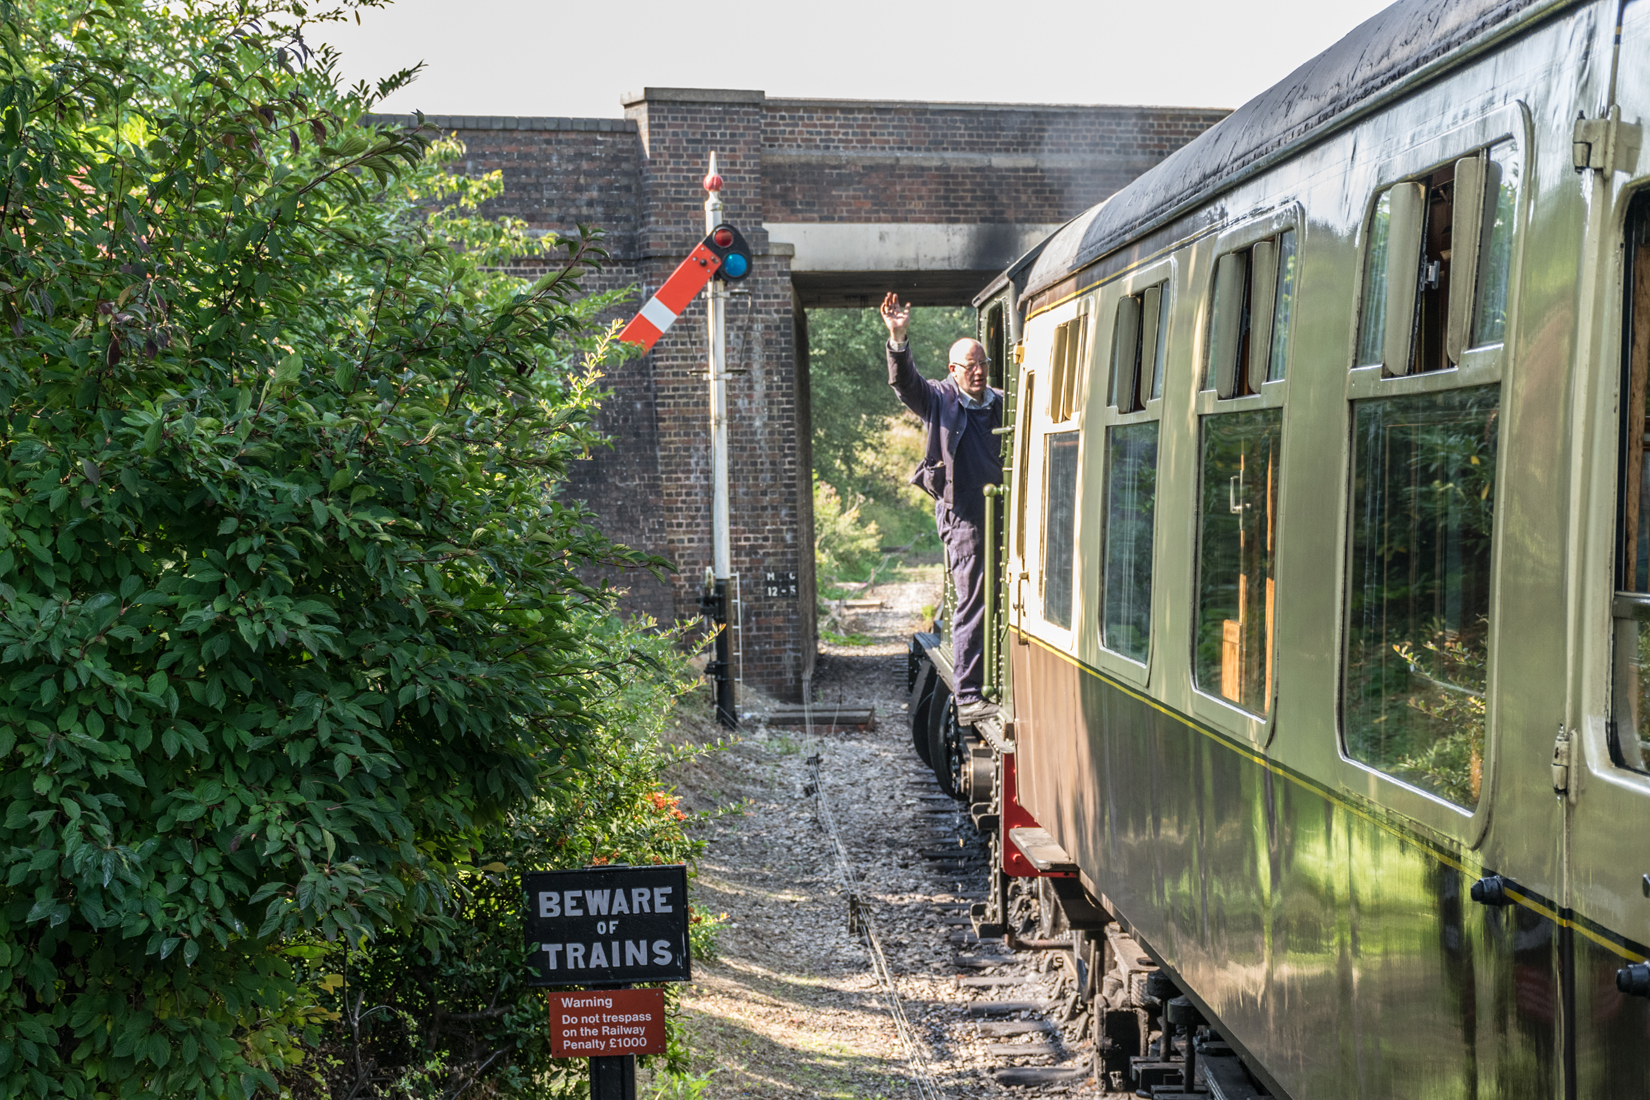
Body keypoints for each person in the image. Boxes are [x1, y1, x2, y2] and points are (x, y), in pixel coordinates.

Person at [881, 292, 1003, 727]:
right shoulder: (939, 400)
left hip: (1004, 515)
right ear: (953, 371)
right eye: (969, 365)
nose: (977, 371)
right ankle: (969, 695)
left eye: (982, 364)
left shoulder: (1001, 401)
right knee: (972, 600)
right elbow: (906, 384)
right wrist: (898, 338)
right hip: (965, 517)